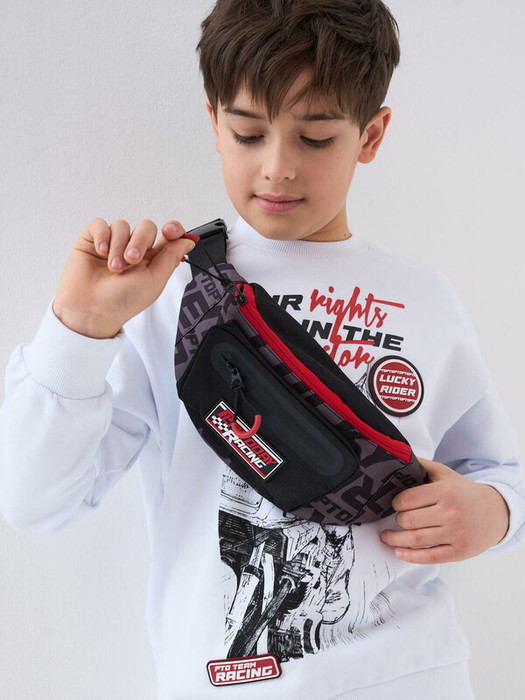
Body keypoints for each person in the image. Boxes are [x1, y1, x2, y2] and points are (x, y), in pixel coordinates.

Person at [0, 0, 524, 698]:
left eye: (316, 138)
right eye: (248, 133)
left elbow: (499, 470)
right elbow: (34, 501)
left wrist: (493, 514)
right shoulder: (170, 294)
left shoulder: (425, 298)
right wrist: (79, 328)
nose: (277, 168)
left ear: (370, 135)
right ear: (214, 124)